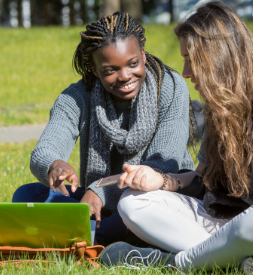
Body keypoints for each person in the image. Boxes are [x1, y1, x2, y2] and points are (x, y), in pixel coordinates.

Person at [93, 3, 253, 271]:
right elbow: (201, 180)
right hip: (225, 220)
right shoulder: (220, 102)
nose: (187, 72)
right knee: (132, 202)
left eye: (192, 59)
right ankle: (237, 260)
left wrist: (242, 228)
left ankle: (176, 264)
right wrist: (160, 180)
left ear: (220, 55)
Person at [24, 11, 193, 246]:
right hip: (98, 200)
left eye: (133, 63)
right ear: (95, 71)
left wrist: (100, 191)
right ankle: (79, 231)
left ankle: (70, 232)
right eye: (110, 70)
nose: (125, 76)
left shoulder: (171, 87)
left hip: (153, 197)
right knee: (27, 195)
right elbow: (44, 151)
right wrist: (55, 165)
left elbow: (162, 166)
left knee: (127, 217)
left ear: (143, 56)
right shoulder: (77, 96)